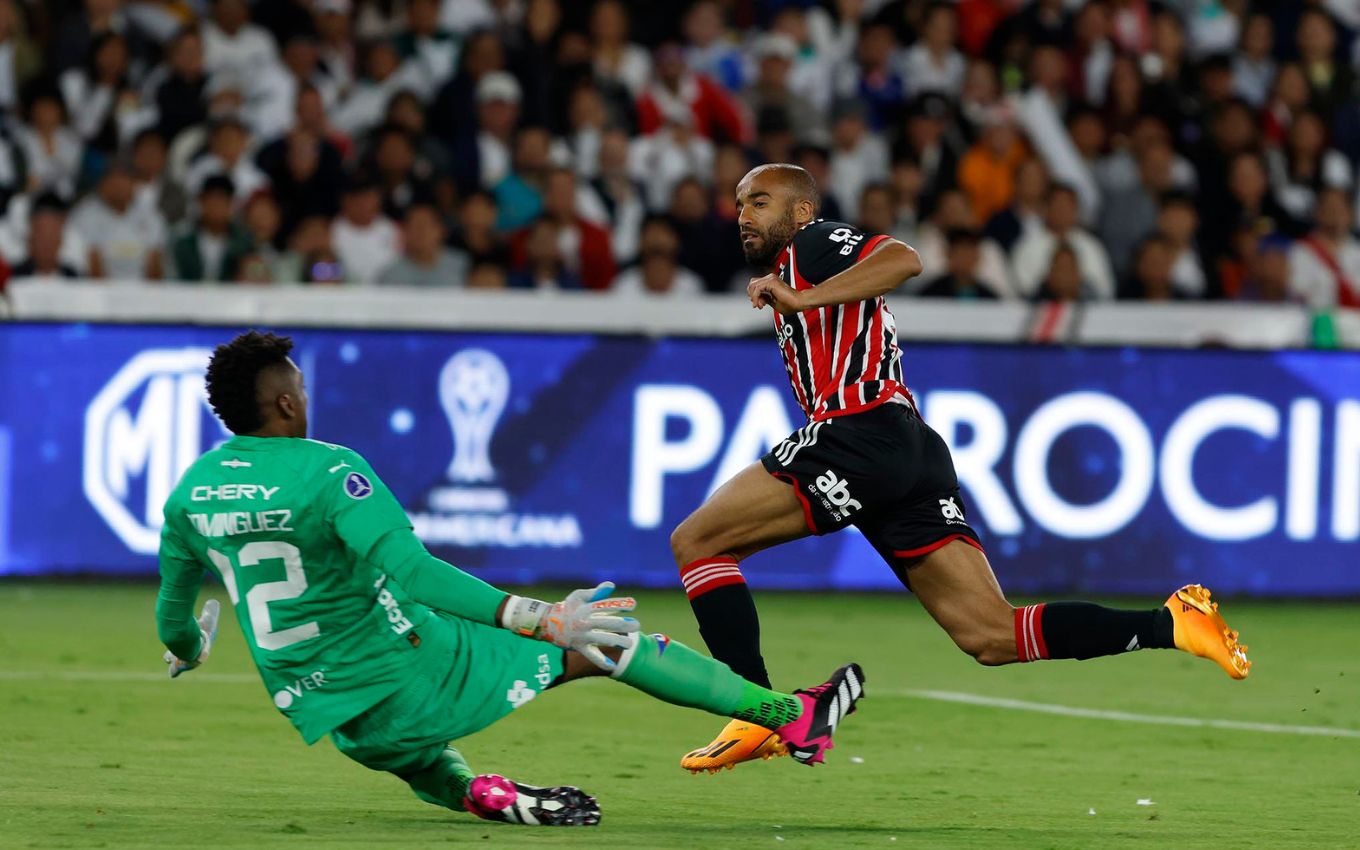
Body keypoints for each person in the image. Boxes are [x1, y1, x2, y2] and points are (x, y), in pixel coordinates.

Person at [671, 164, 1252, 775]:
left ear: (798, 214)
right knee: (992, 636)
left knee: (699, 541)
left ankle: (762, 713)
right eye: (739, 204)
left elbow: (904, 258)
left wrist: (803, 296)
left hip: (859, 430)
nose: (743, 215)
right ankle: (1173, 624)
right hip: (909, 449)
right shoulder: (789, 272)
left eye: (759, 203)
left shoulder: (813, 247)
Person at [157, 331, 865, 827]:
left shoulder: (190, 493)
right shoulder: (327, 469)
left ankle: (475, 793)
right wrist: (535, 616)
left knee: (417, 745)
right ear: (285, 404)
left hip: (337, 722)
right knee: (610, 638)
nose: (304, 400)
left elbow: (174, 624)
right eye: (299, 389)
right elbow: (412, 570)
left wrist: (191, 648)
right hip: (407, 679)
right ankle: (791, 717)